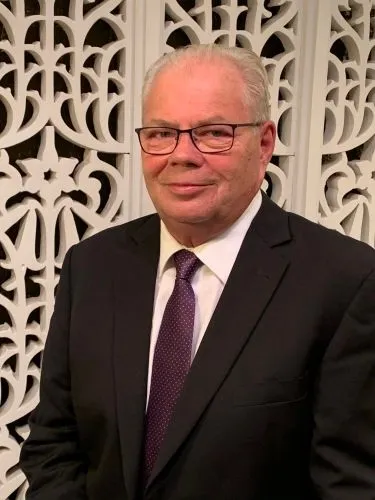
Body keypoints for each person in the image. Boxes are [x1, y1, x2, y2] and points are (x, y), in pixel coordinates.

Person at [20, 44, 375, 500]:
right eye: (162, 133)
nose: (182, 155)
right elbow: (54, 444)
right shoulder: (92, 266)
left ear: (264, 143)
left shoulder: (345, 281)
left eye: (212, 133)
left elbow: (350, 486)